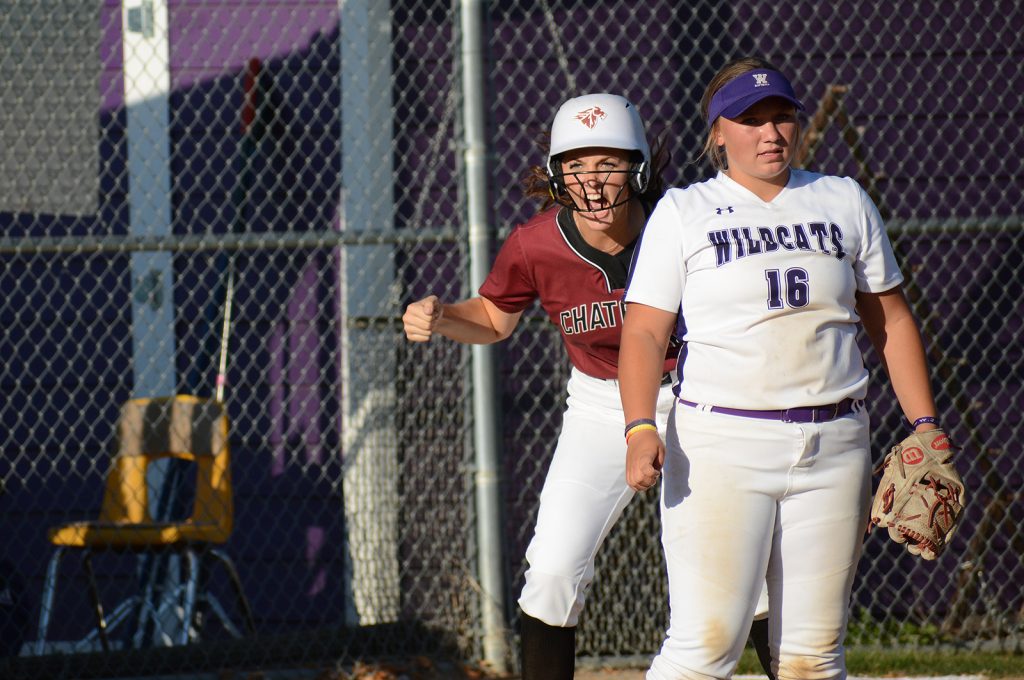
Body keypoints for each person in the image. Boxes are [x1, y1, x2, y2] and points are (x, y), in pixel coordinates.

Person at [403, 93, 772, 680]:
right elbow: (496, 318)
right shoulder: (537, 243)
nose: (593, 184)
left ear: (640, 166)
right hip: (601, 405)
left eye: (608, 165)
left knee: (743, 578)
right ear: (556, 174)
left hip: (701, 398)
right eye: (575, 167)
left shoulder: (682, 221)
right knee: (551, 570)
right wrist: (443, 314)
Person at [618, 56, 945, 679]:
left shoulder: (842, 198)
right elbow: (644, 331)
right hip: (724, 445)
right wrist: (639, 426)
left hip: (835, 443)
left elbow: (891, 320)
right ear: (718, 132)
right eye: (750, 119)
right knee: (704, 648)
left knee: (813, 657)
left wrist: (923, 422)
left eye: (781, 117)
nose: (770, 133)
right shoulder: (686, 211)